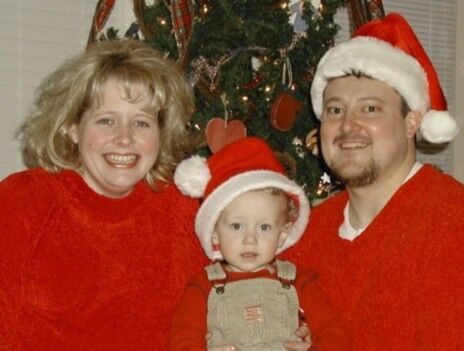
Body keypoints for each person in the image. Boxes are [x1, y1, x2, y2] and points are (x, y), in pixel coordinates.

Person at [282, 13, 464, 350]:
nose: (347, 126)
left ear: (411, 121)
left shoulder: (461, 228)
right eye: (335, 110)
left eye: (370, 109)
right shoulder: (308, 234)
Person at [0, 39, 209, 350]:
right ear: (73, 128)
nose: (123, 138)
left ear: (160, 135)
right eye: (106, 120)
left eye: (141, 123)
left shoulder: (184, 210)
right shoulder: (25, 200)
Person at [169, 137, 351, 350]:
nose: (250, 239)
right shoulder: (203, 286)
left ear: (282, 234)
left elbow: (335, 331)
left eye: (264, 227)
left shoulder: (298, 281)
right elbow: (182, 340)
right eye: (237, 226)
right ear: (215, 234)